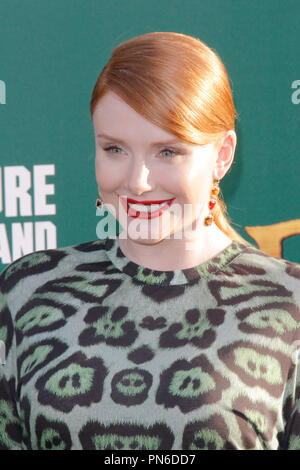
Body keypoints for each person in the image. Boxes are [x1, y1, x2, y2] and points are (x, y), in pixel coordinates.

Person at [0, 31, 299, 451]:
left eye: (168, 152)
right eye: (115, 149)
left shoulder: (290, 304)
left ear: (223, 155)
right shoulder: (27, 292)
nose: (138, 182)